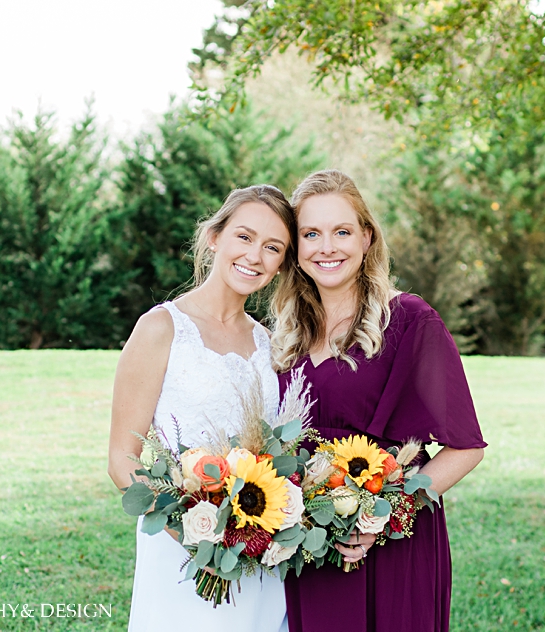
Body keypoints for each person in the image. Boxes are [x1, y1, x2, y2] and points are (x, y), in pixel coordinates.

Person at [270, 170, 486, 632]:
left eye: (342, 231)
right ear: (296, 247)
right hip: (308, 544)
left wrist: (382, 517)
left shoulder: (410, 320)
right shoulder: (287, 332)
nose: (327, 247)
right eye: (311, 234)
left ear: (366, 238)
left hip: (391, 541)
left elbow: (465, 447)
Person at [108, 185, 294, 632]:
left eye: (273, 247)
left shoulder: (272, 343)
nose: (255, 256)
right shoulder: (161, 328)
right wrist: (198, 538)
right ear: (215, 237)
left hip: (258, 550)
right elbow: (121, 459)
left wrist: (251, 535)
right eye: (244, 237)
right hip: (182, 549)